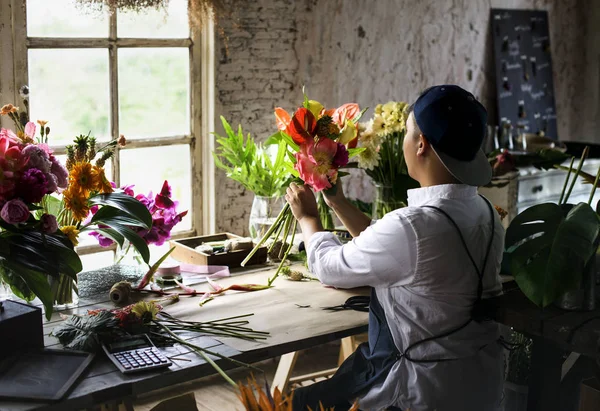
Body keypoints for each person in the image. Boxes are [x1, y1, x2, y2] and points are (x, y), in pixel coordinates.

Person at [286, 85, 505, 411]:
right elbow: (393, 247)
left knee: (295, 404)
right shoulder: (484, 212)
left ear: (421, 144)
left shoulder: (413, 227)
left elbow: (329, 266)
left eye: (406, 131)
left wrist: (307, 219)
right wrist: (338, 202)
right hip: (478, 386)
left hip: (419, 392)